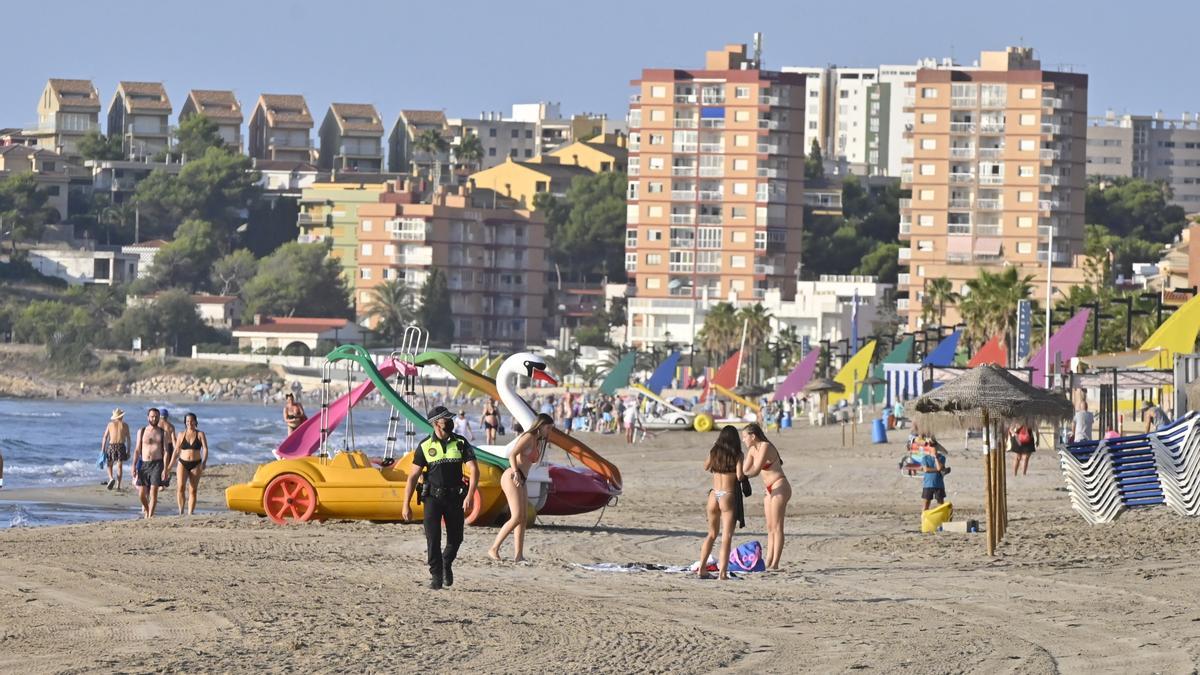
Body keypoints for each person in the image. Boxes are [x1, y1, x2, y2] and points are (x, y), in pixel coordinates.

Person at [402, 406, 479, 590]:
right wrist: (406, 504)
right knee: (432, 538)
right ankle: (436, 576)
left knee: (456, 538)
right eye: (446, 419)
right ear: (436, 423)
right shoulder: (425, 446)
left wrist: (470, 495)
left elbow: (474, 469)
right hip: (432, 499)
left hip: (455, 498)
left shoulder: (460, 442)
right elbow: (413, 476)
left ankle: (446, 562)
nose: (450, 421)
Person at [489, 413, 552, 562]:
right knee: (517, 516)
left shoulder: (537, 441)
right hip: (512, 476)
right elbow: (512, 454)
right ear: (541, 425)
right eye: (548, 427)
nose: (549, 431)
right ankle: (493, 548)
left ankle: (519, 555)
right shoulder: (529, 437)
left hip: (522, 478)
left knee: (523, 518)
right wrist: (517, 472)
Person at [698, 426, 745, 580]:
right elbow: (739, 476)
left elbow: (705, 466)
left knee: (711, 534)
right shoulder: (738, 455)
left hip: (714, 494)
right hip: (728, 494)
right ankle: (722, 574)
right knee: (726, 536)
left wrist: (714, 447)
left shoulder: (714, 452)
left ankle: (702, 569)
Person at [741, 423, 790, 571]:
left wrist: (744, 476)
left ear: (753, 436)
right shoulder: (752, 450)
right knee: (769, 527)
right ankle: (768, 561)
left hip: (779, 485)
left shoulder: (765, 447)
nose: (743, 440)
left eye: (745, 437)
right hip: (768, 490)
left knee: (777, 526)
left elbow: (754, 471)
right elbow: (745, 470)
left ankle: (775, 563)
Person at [133, 408, 169, 518]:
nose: (154, 418)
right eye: (152, 416)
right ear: (148, 417)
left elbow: (166, 451)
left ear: (159, 418)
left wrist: (165, 468)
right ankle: (147, 510)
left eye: (156, 417)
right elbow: (137, 449)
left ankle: (150, 516)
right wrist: (133, 466)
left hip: (157, 464)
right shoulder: (142, 431)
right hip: (144, 464)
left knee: (154, 492)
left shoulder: (163, 432)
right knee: (141, 494)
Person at [170, 413, 208, 515]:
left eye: (191, 421)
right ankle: (181, 511)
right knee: (180, 487)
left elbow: (205, 448)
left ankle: (190, 513)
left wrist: (204, 461)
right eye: (187, 421)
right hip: (182, 463)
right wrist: (169, 465)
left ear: (195, 421)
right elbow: (176, 450)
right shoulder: (181, 434)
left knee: (193, 490)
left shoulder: (200, 434)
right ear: (185, 422)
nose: (189, 423)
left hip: (196, 464)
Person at [100, 408, 131, 490]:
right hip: (121, 446)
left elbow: (105, 437)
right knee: (119, 466)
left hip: (112, 446)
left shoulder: (110, 424)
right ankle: (118, 485)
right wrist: (128, 450)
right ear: (122, 416)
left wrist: (102, 449)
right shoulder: (125, 425)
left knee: (109, 464)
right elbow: (128, 439)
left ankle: (111, 478)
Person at [919, 439, 949, 511]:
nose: (933, 448)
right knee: (926, 505)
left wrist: (936, 457)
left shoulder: (941, 457)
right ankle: (924, 519)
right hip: (928, 484)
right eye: (932, 446)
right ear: (929, 448)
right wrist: (938, 470)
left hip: (939, 485)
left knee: (941, 505)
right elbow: (926, 469)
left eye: (935, 446)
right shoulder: (925, 458)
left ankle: (941, 520)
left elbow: (939, 467)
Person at [157, 409, 176, 490]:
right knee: (167, 465)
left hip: (159, 446)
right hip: (169, 446)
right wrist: (177, 450)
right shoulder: (171, 426)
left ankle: (161, 484)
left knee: (159, 464)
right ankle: (164, 481)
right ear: (167, 416)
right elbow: (174, 439)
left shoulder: (157, 425)